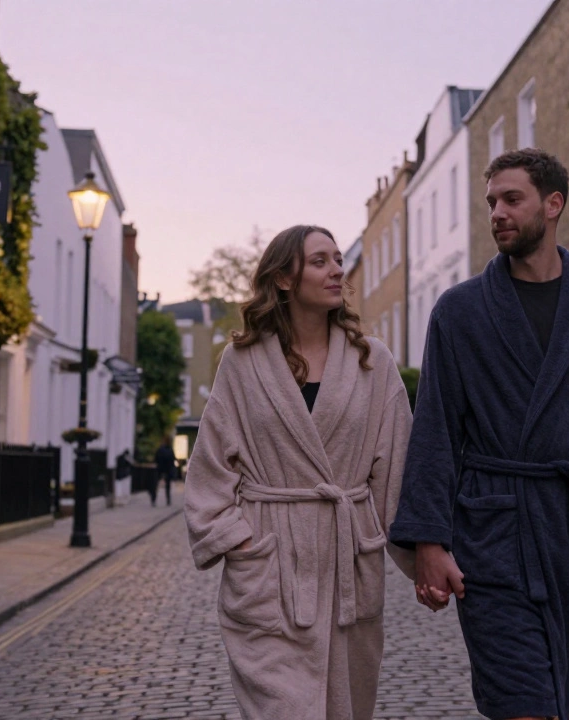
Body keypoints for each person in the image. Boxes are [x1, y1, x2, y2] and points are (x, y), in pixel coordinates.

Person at [389, 149, 569, 720]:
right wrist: (427, 541)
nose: (497, 212)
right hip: (496, 536)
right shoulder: (460, 311)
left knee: (564, 703)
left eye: (511, 199)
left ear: (553, 205)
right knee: (523, 705)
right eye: (491, 201)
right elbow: (436, 432)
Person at [183, 224, 414, 719]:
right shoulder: (242, 363)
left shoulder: (373, 362)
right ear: (284, 279)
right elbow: (209, 469)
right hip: (271, 572)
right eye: (320, 261)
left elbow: (398, 472)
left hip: (347, 565)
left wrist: (426, 557)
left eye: (337, 260)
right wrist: (241, 543)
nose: (336, 270)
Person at [153, 436, 177, 507]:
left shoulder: (160, 449)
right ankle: (168, 500)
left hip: (160, 469)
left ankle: (154, 499)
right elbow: (173, 460)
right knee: (168, 486)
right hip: (168, 469)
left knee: (156, 484)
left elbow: (156, 459)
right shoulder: (170, 450)